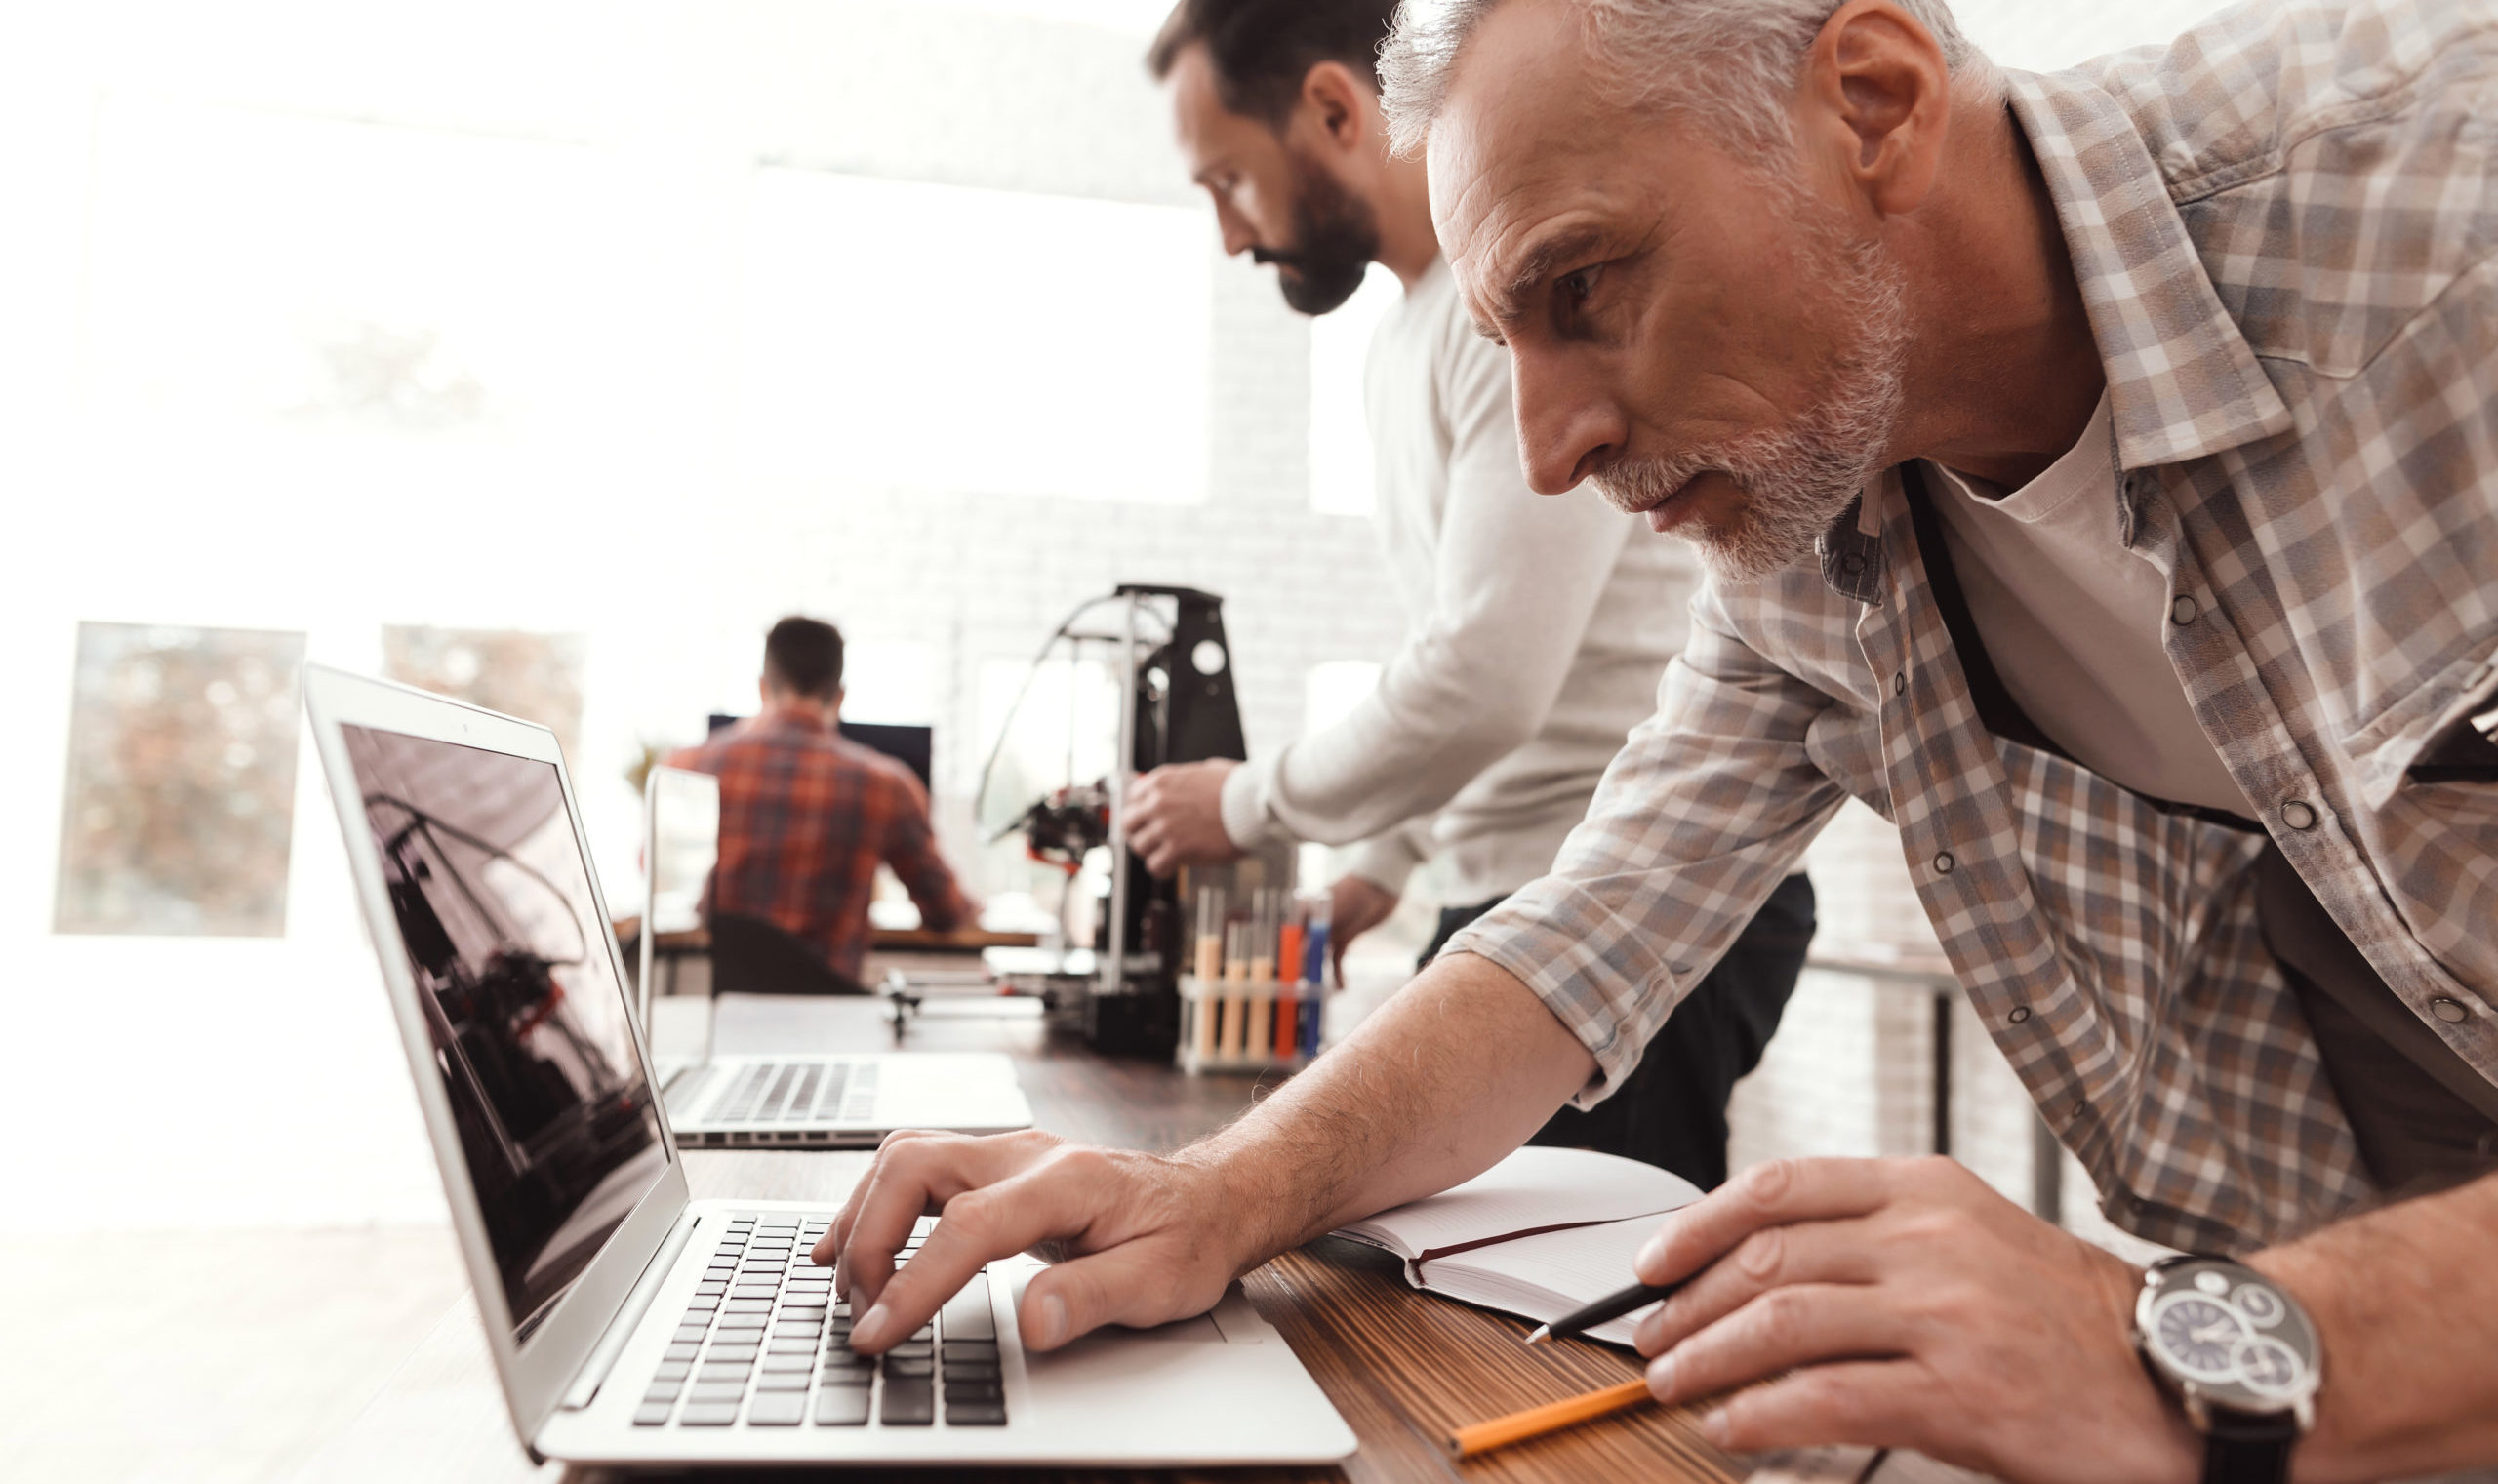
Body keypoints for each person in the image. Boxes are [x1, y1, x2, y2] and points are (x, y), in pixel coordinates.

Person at [816, 1, 2498, 1477]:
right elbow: (1588, 931)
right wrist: (1219, 1192)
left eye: (1587, 288)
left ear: (1876, 103)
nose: (1549, 454)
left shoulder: (2442, 200)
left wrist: (2180, 1347)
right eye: (1509, 342)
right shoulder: (1819, 534)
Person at [1122, 0, 1815, 1187]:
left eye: (1228, 180)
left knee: (1557, 1341)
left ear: (1336, 111)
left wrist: (1243, 804)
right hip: (1523, 881)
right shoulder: (1411, 336)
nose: (1230, 238)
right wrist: (1382, 870)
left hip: (1634, 891)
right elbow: (1468, 651)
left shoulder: (1505, 312)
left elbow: (1487, 674)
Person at [669, 617, 975, 987]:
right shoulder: (887, 785)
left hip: (721, 1014)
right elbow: (945, 912)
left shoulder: (687, 769)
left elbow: (659, 870)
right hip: (829, 1019)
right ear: (840, 694)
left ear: (762, 688)